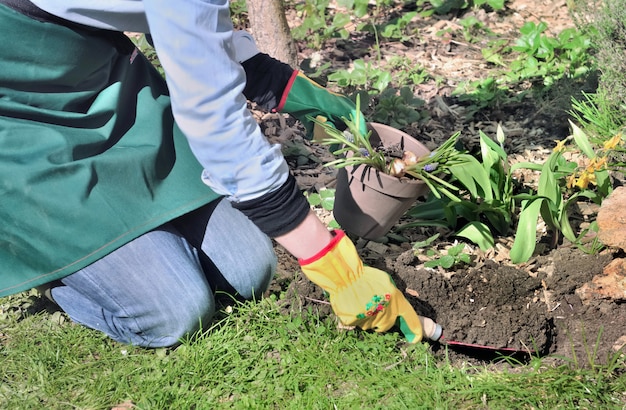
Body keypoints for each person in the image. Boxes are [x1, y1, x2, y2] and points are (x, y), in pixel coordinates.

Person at [0, 0, 441, 347]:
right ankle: (55, 268)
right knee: (173, 314)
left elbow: (190, 29)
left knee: (248, 272)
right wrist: (338, 271)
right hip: (22, 133)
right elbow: (219, 127)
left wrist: (293, 91)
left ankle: (125, 240)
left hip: (106, 93)